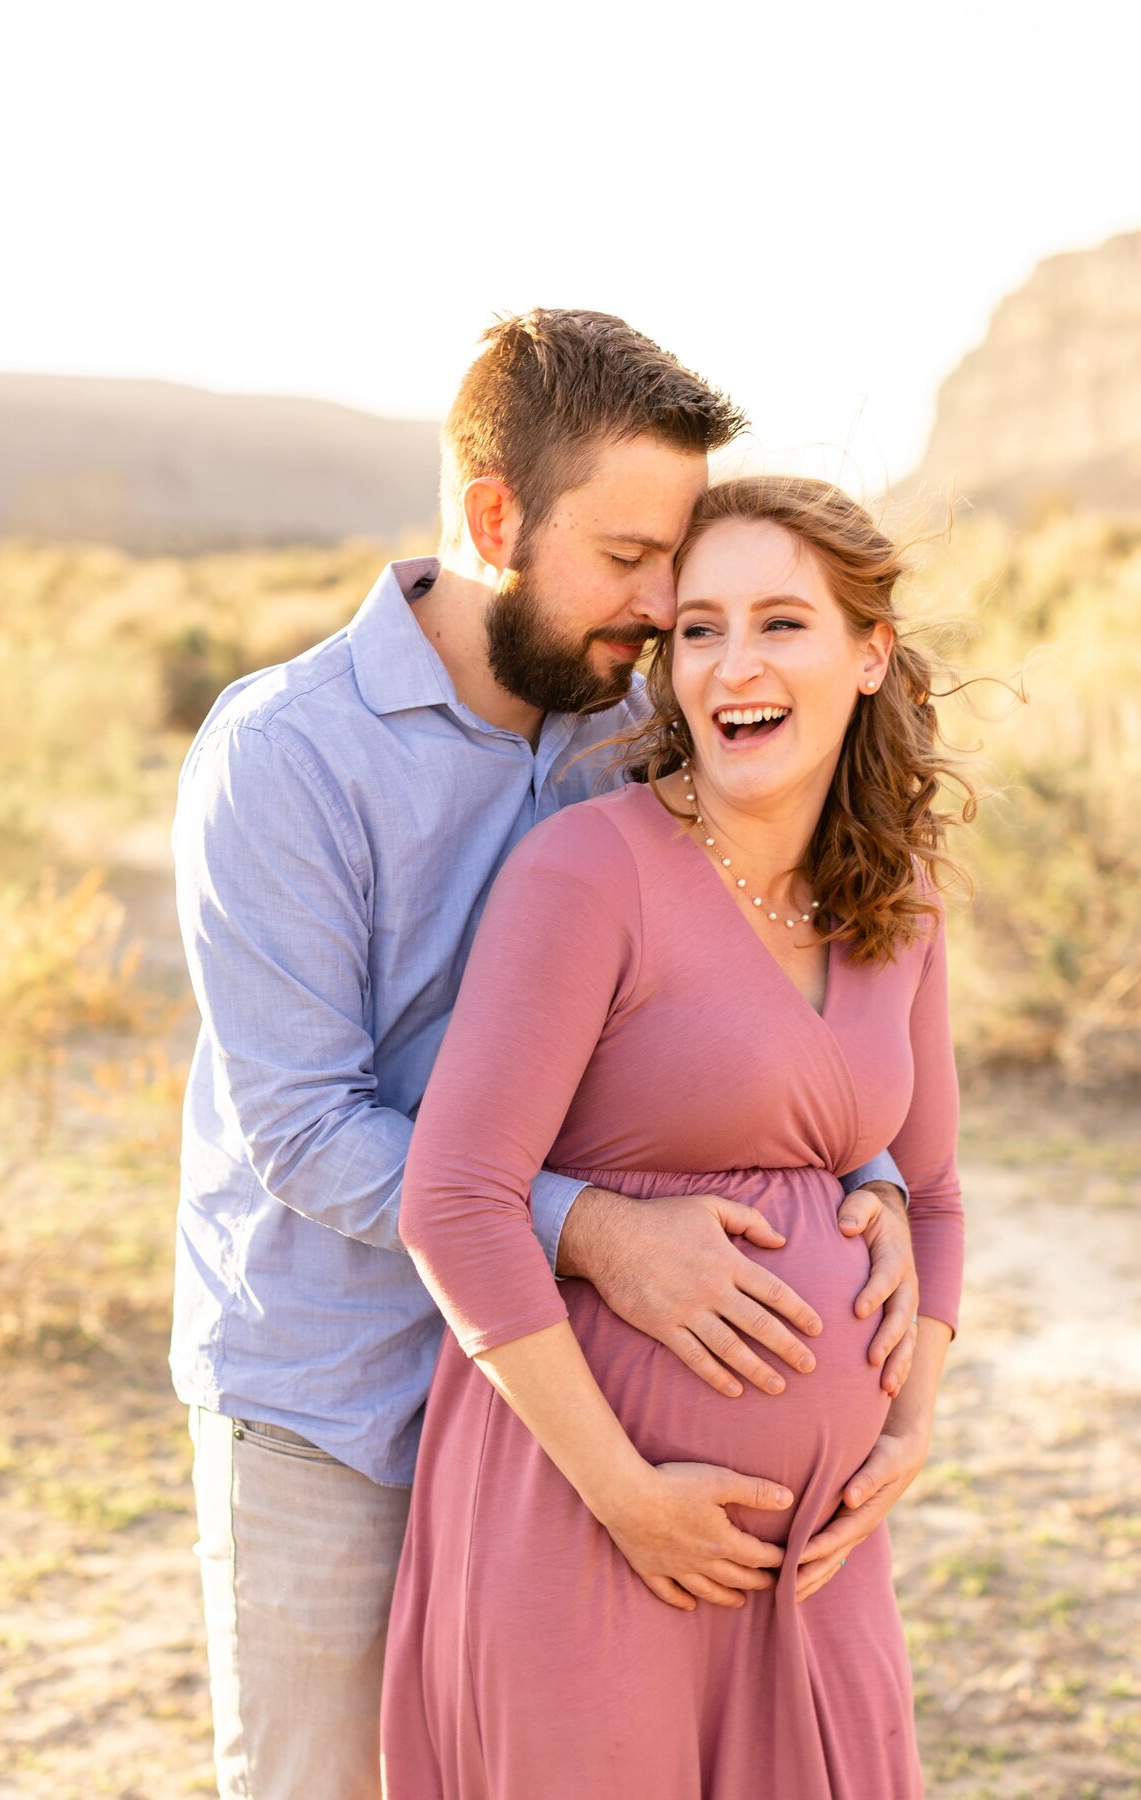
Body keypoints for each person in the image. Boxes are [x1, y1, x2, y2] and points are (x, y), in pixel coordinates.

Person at [170, 313, 916, 1800]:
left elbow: (761, 960)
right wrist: (595, 1238)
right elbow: (309, 1130)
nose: (663, 608)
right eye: (630, 558)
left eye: (680, 561)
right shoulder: (288, 758)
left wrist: (869, 1171)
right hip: (339, 1400)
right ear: (495, 516)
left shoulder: (631, 717)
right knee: (318, 1782)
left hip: (560, 1412)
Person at [384, 473, 966, 1799]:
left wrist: (907, 1427)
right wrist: (625, 1494)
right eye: (697, 629)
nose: (731, 664)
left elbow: (932, 1194)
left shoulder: (901, 898)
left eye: (780, 623)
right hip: (584, 1522)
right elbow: (455, 1198)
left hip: (816, 1557)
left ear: (869, 653)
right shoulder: (591, 872)